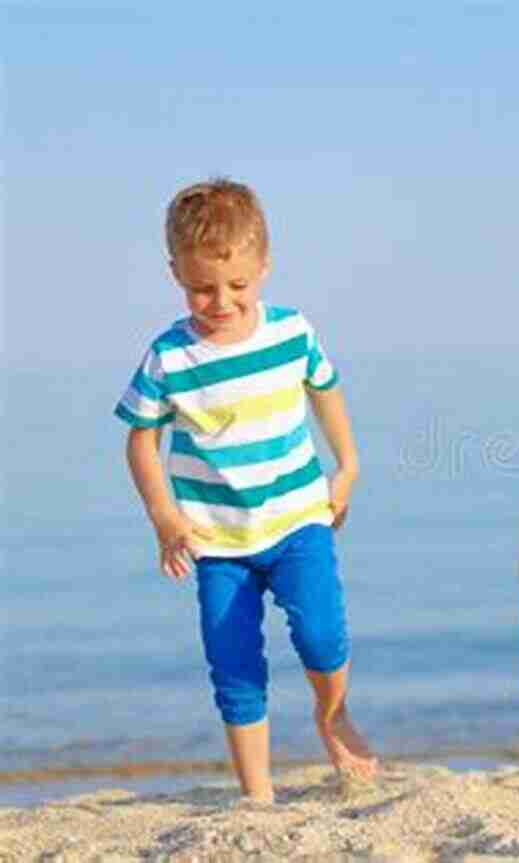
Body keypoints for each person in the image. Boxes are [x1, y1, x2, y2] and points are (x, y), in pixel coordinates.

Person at [115, 178, 377, 802]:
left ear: (263, 266)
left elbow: (325, 389)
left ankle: (331, 712)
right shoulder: (169, 357)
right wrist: (164, 516)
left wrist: (347, 464)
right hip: (216, 540)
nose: (220, 302)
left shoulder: (291, 333)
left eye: (237, 285)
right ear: (175, 271)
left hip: (297, 520)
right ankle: (256, 796)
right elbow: (140, 440)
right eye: (201, 288)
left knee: (322, 633)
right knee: (233, 664)